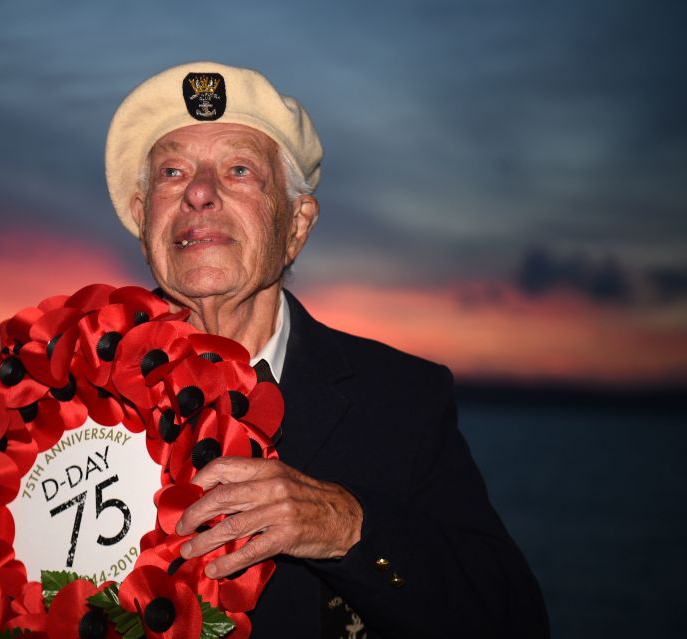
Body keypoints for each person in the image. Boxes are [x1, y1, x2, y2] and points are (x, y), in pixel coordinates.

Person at [104, 61, 549, 638]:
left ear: (297, 224)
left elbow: (511, 619)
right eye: (172, 172)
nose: (198, 192)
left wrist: (349, 528)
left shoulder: (402, 399)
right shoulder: (59, 393)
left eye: (238, 169)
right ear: (144, 220)